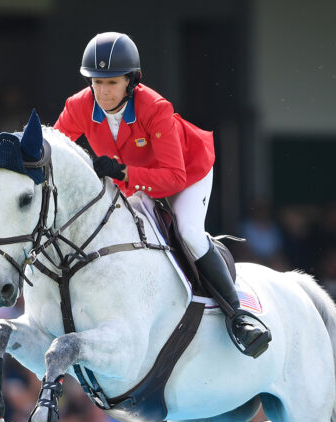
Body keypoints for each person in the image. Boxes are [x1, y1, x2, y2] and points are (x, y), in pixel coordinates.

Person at [53, 32, 269, 352]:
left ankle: (239, 316)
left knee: (189, 232)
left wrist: (123, 172)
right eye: (96, 82)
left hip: (188, 172)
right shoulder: (78, 106)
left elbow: (172, 177)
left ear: (131, 81)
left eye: (112, 83)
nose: (102, 91)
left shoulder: (155, 108)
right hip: (132, 182)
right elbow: (56, 151)